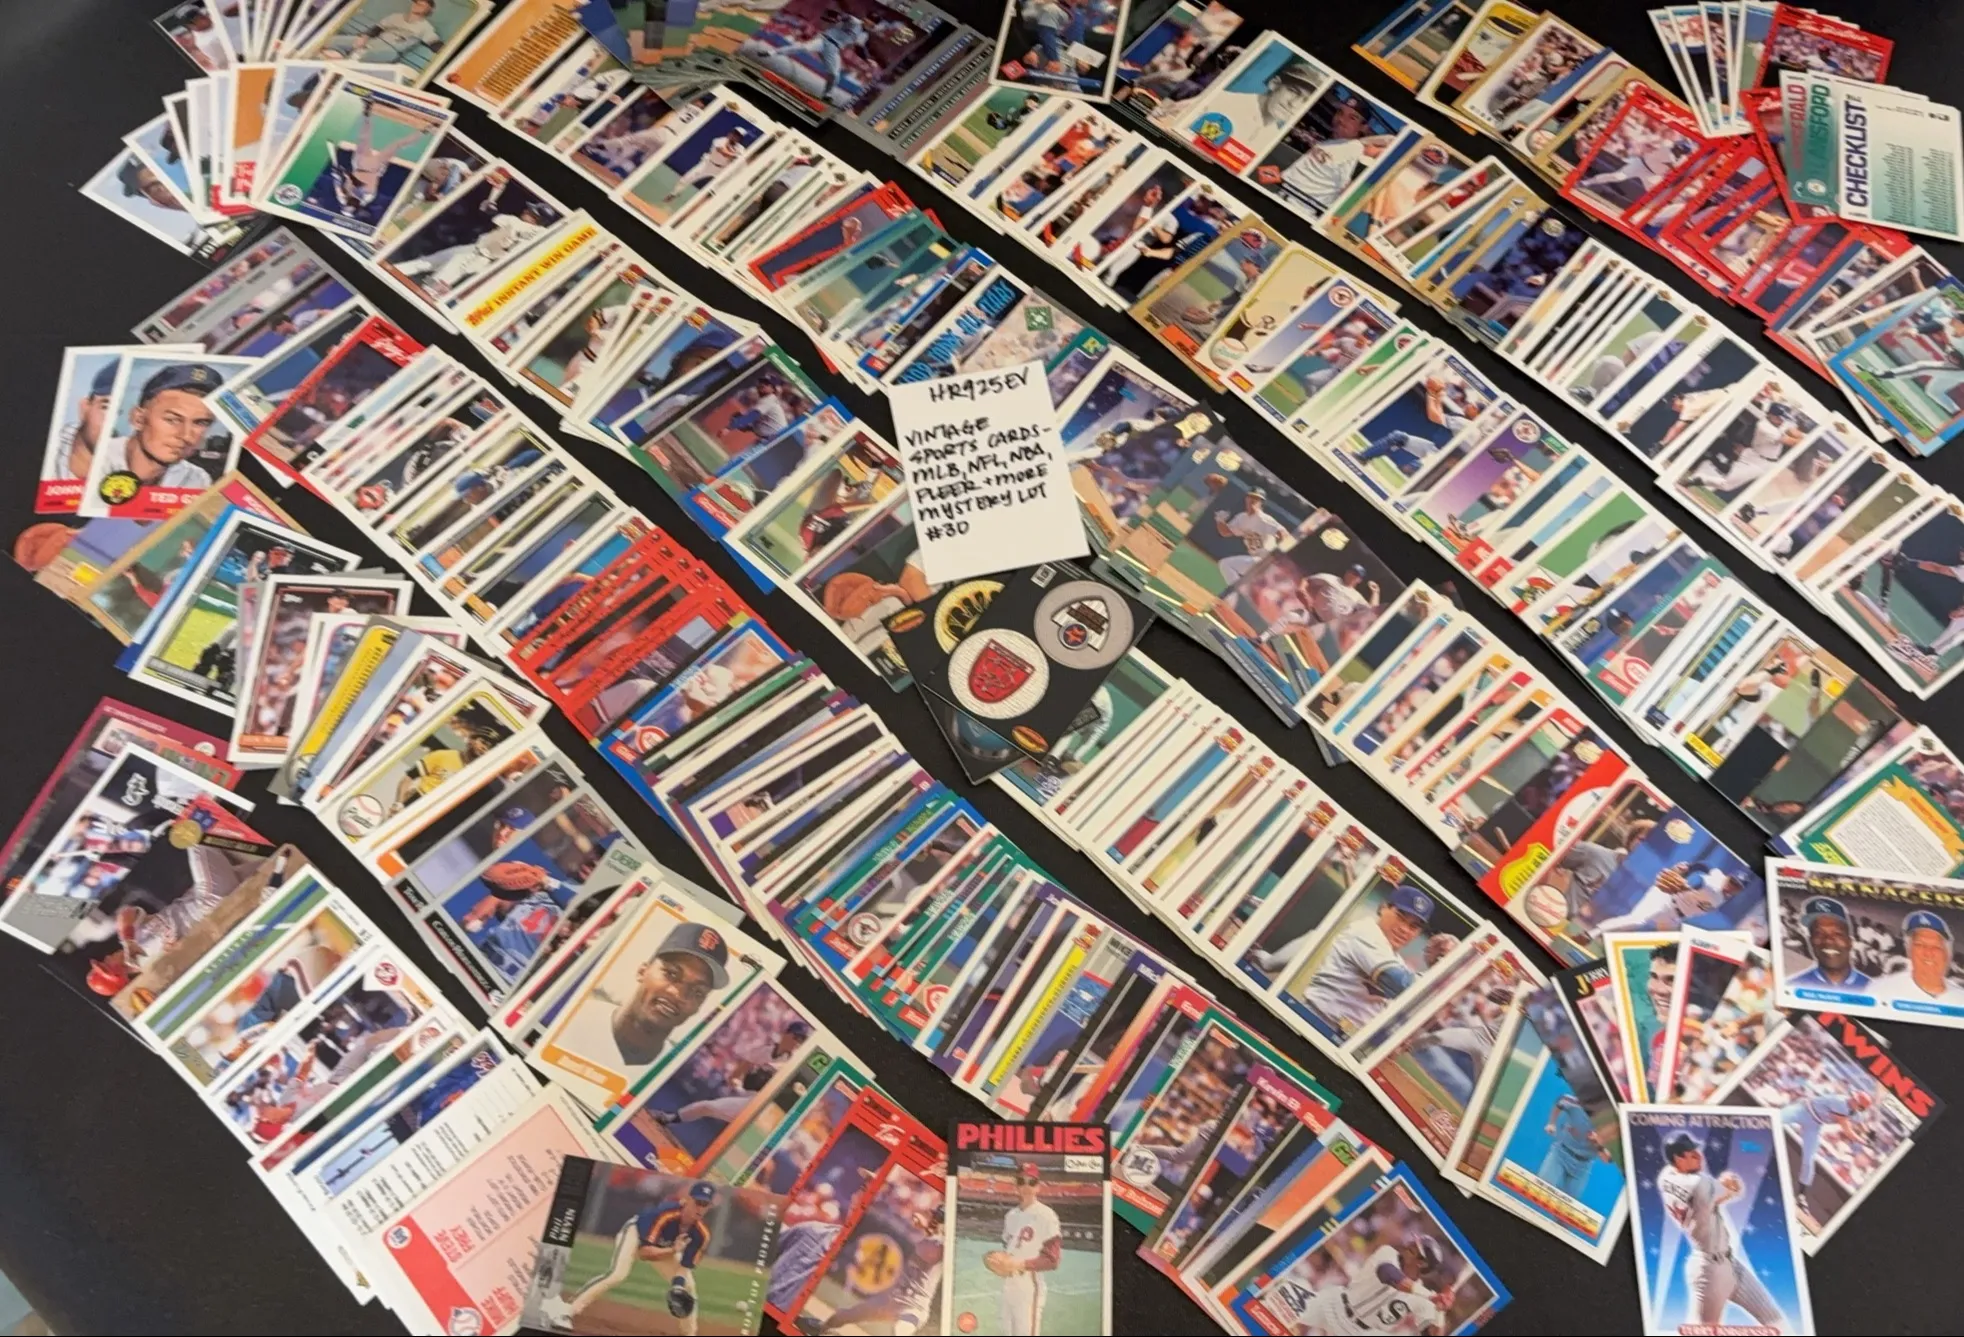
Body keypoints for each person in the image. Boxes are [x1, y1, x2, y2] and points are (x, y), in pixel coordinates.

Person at [1290, 884, 1458, 1038]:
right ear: (1383, 908)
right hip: (1312, 1023)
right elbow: (1402, 985)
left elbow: (1418, 1009)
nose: (1404, 929)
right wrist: (1447, 965)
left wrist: (1440, 966)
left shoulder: (1396, 960)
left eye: (1413, 926)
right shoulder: (1366, 932)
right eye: (1400, 917)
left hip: (1338, 1036)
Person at [1655, 1132, 1786, 1328]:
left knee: (1776, 1323)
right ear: (1678, 1159)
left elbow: (1713, 1196)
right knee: (1703, 1331)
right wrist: (1729, 1182)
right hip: (1709, 1271)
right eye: (1691, 1153)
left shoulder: (1665, 1177)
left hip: (1730, 1263)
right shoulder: (1699, 1184)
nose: (1699, 1156)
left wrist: (1721, 1186)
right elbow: (1735, 1191)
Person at [563, 921, 731, 1069]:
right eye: (671, 973)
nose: (678, 994)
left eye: (697, 992)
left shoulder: (672, 1074)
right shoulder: (571, 1018)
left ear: (699, 1007)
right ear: (642, 971)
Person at [564, 1181, 717, 1335]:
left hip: (662, 1247)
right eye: (698, 1202)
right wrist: (672, 1250)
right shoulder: (666, 1214)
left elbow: (684, 1266)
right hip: (635, 1235)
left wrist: (677, 1286)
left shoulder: (701, 1234)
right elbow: (644, 1253)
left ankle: (689, 1334)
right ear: (687, 1200)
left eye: (705, 1204)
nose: (700, 1208)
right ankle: (568, 1310)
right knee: (617, 1274)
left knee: (688, 1287)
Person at [795, 1205, 944, 1335]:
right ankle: (819, 1328)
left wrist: (931, 1228)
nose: (934, 1219)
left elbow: (945, 1247)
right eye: (935, 1216)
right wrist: (926, 1227)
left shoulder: (943, 1245)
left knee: (898, 1332)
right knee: (841, 1317)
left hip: (913, 1308)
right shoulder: (933, 1238)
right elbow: (932, 1240)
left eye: (939, 1218)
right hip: (890, 1300)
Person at [88, 363, 226, 501]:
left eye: (200, 423)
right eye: (172, 420)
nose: (186, 436)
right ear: (138, 419)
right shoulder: (92, 460)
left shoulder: (196, 479)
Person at [646, 1019, 814, 1128]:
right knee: (707, 1107)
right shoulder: (764, 1050)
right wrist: (738, 1084)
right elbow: (736, 1074)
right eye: (797, 1037)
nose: (798, 1042)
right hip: (750, 1100)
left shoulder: (793, 1063)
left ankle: (669, 1118)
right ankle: (669, 1118)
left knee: (708, 1108)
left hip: (766, 1111)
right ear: (786, 1033)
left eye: (802, 1040)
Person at [1291, 1233, 1454, 1336]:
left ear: (1422, 1263)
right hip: (1336, 1305)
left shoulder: (1424, 1299)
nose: (1408, 1245)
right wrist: (1431, 1296)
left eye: (1414, 1248)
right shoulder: (1388, 1253)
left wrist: (1441, 1312)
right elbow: (1390, 1275)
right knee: (1287, 1311)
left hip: (1361, 1332)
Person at [995, 1163, 1062, 1336]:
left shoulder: (1046, 1215)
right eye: (1021, 1181)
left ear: (1038, 1186)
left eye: (1031, 1182)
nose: (1026, 1186)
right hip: (1009, 1285)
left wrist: (1018, 1264)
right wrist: (1000, 1262)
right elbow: (1009, 1250)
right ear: (1016, 1186)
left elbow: (1052, 1260)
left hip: (1029, 1286)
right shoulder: (1010, 1216)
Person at [1780, 1089, 1874, 1190]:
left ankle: (1802, 1191)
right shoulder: (1841, 1103)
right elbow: (1847, 1131)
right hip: (1803, 1110)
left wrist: (1869, 1133)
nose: (1852, 1100)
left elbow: (1860, 1122)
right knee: (1775, 1118)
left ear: (1860, 1108)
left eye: (1856, 1101)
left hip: (1814, 1125)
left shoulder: (1854, 1112)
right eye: (1854, 1098)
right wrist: (1864, 1142)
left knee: (1809, 1159)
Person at [1787, 896, 1872, 992]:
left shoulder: (1873, 988)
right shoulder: (1792, 985)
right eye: (1818, 933)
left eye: (1837, 934)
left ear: (1850, 942)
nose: (1828, 940)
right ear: (1810, 941)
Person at [1538, 1091, 1610, 1196]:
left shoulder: (1610, 1124)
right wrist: (1551, 1123)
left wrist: (1598, 1143)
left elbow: (1606, 1159)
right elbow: (1560, 1101)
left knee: (1567, 1203)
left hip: (1582, 1166)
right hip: (1561, 1153)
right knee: (1541, 1189)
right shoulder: (1575, 1103)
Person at [1213, 487, 1289, 583]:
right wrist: (1220, 521)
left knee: (1226, 564)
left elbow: (1284, 534)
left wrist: (1279, 552)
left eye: (1257, 498)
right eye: (1251, 496)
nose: (1253, 500)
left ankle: (1235, 590)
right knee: (1227, 566)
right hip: (1255, 560)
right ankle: (1236, 591)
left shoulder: (1264, 519)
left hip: (1266, 560)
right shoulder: (1241, 518)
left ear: (1261, 503)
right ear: (1246, 498)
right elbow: (1225, 532)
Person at [1900, 908, 1964, 1004]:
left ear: (1947, 953)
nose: (1928, 953)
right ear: (1908, 949)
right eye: (1919, 945)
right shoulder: (1883, 989)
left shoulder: (1959, 997)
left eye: (1936, 947)